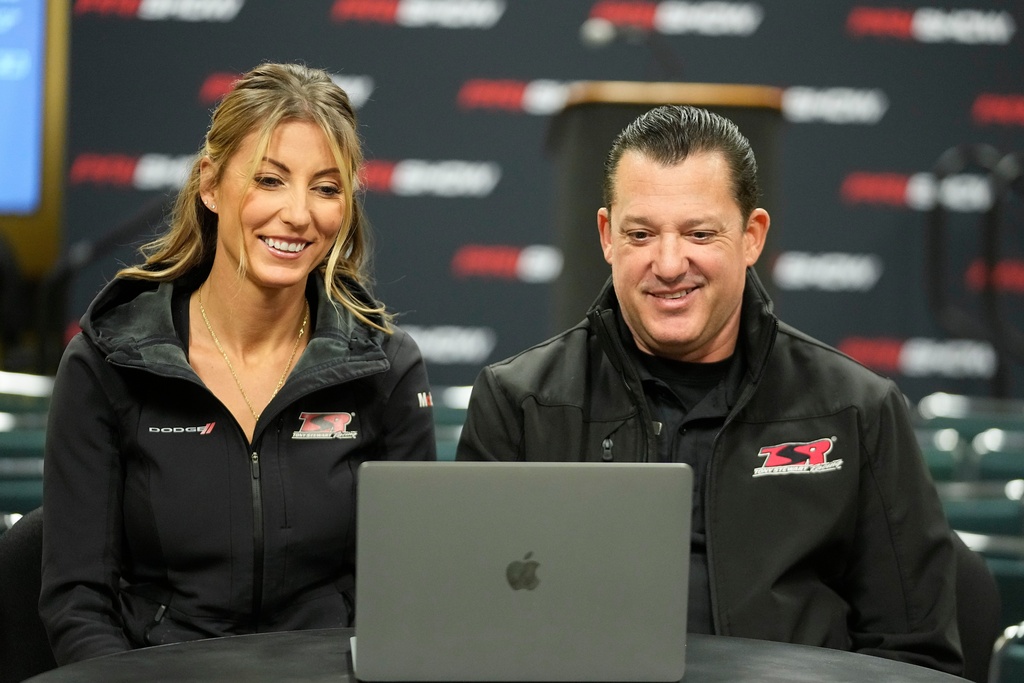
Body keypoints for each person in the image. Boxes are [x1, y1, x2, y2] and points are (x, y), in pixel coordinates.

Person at [456, 105, 962, 675]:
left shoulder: (856, 409)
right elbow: (471, 635)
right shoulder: (519, 403)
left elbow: (917, 656)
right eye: (641, 234)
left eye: (699, 233)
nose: (669, 264)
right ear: (606, 236)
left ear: (752, 237)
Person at [40, 62, 436, 665]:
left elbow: (408, 596)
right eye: (269, 180)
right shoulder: (107, 361)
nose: (300, 214)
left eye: (327, 189)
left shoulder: (386, 368)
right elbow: (78, 601)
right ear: (210, 183)